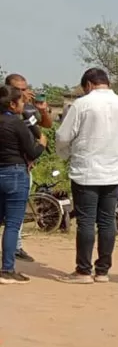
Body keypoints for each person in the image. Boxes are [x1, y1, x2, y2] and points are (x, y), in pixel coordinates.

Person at [55, 68, 118, 284]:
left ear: (89, 85)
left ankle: (83, 271)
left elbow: (63, 135)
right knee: (107, 221)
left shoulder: (82, 104)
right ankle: (102, 271)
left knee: (86, 221)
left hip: (86, 172)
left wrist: (66, 151)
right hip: (113, 172)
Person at [0, 85, 47, 284]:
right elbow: (32, 152)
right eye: (21, 101)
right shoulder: (17, 124)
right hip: (15, 174)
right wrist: (42, 142)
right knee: (12, 224)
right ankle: (7, 269)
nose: (23, 104)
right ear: (12, 104)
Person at [5, 73, 54, 263]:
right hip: (10, 166)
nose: (26, 93)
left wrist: (41, 110)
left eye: (26, 88)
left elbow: (46, 125)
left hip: (24, 166)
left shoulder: (29, 110)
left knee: (16, 213)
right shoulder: (8, 111)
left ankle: (15, 248)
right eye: (20, 89)